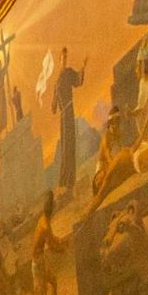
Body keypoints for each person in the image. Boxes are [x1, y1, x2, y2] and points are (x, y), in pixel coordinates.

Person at [51, 47, 86, 190]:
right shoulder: (56, 82)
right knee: (64, 146)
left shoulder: (69, 72)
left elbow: (78, 82)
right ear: (59, 60)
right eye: (62, 57)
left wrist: (83, 67)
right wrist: (53, 102)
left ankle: (70, 181)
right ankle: (63, 181)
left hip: (69, 111)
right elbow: (53, 108)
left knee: (70, 145)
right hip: (62, 116)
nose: (65, 60)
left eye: (66, 57)